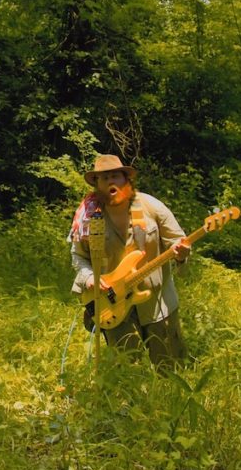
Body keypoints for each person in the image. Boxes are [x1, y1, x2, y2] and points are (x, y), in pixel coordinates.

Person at [69, 154, 189, 366]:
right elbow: (78, 256)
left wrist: (181, 254)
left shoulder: (151, 207)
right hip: (113, 305)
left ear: (126, 180)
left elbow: (177, 241)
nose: (110, 182)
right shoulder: (87, 217)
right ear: (97, 184)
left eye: (115, 176)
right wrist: (88, 278)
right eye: (104, 179)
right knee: (126, 372)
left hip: (158, 304)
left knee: (170, 369)